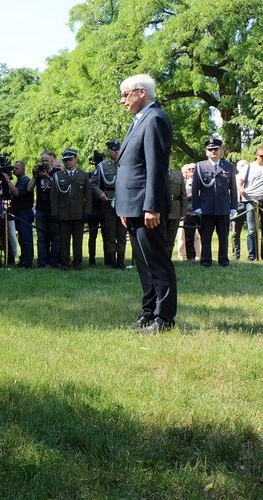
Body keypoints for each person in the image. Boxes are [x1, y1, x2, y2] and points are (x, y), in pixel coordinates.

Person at [115, 73, 177, 333]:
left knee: (157, 263)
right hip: (132, 205)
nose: (122, 101)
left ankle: (164, 318)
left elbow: (156, 167)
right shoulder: (138, 120)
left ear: (142, 93)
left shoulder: (155, 119)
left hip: (145, 205)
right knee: (143, 263)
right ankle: (149, 312)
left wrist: (151, 206)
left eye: (126, 94)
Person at [192, 138, 236, 267]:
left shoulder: (228, 166)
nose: (213, 152)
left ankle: (223, 260)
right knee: (206, 236)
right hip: (206, 207)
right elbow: (195, 189)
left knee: (223, 236)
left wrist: (233, 206)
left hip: (223, 207)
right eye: (210, 150)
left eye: (215, 149)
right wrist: (197, 207)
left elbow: (232, 188)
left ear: (220, 150)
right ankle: (206, 261)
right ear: (206, 152)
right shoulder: (200, 167)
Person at [50, 148, 92, 270]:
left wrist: (87, 212)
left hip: (79, 212)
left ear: (76, 160)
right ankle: (65, 263)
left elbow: (88, 196)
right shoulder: (58, 176)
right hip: (63, 213)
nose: (68, 162)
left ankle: (77, 263)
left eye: (70, 159)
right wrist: (55, 213)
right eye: (65, 160)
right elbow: (54, 197)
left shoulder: (83, 175)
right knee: (64, 240)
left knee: (78, 240)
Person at [91, 141, 127, 268]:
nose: (116, 152)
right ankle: (111, 261)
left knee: (122, 235)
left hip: (124, 202)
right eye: (113, 149)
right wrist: (100, 193)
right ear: (109, 151)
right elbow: (92, 183)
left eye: (118, 149)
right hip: (109, 202)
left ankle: (121, 261)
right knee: (110, 234)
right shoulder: (102, 166)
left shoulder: (127, 164)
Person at [29, 151, 61, 268]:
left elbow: (59, 186)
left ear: (52, 160)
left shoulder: (56, 172)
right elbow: (29, 188)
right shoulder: (38, 173)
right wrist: (35, 175)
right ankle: (42, 262)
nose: (44, 163)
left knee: (55, 237)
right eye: (42, 161)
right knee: (41, 238)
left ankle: (54, 261)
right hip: (41, 209)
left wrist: (47, 176)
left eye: (46, 161)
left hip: (54, 209)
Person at [2, 161, 35, 268]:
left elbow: (17, 192)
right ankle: (23, 259)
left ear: (23, 169)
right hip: (19, 212)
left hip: (24, 212)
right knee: (22, 238)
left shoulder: (25, 180)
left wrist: (7, 180)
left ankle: (27, 261)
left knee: (26, 238)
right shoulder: (19, 180)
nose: (14, 170)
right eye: (14, 168)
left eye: (17, 168)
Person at [238, 146, 263, 260]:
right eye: (261, 156)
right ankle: (252, 255)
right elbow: (239, 183)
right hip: (250, 199)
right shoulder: (248, 167)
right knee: (252, 229)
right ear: (256, 155)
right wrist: (240, 189)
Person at [178, 163, 200, 260]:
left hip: (201, 212)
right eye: (190, 169)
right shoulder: (184, 182)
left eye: (193, 169)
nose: (192, 170)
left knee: (205, 236)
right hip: (189, 212)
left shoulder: (203, 181)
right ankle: (190, 257)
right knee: (189, 237)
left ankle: (204, 256)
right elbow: (182, 196)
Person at [166, 166, 188, 258]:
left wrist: (184, 211)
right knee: (159, 238)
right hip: (160, 209)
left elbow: (183, 194)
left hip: (175, 208)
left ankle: (167, 258)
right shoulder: (156, 170)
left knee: (171, 237)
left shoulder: (178, 174)